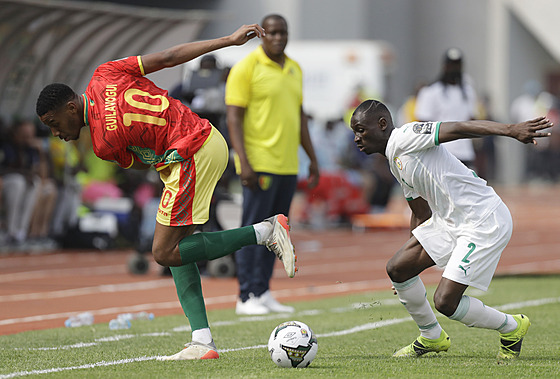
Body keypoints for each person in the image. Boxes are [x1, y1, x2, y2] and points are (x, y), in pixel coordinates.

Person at [35, 23, 297, 361]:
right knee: (176, 248)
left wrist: (161, 153)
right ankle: (202, 340)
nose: (57, 133)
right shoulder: (104, 73)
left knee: (162, 252)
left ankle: (264, 231)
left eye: (54, 124)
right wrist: (228, 41)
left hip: (191, 153)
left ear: (71, 107)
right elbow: (170, 57)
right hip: (202, 138)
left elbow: (142, 164)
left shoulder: (101, 143)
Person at [349, 99, 551, 360]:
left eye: (361, 130)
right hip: (449, 222)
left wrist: (510, 129)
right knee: (398, 269)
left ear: (382, 124)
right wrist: (411, 262)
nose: (356, 138)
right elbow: (420, 213)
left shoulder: (406, 136)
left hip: (483, 220)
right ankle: (432, 337)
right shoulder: (395, 159)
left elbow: (458, 128)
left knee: (445, 301)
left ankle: (512, 327)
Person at [225, 14, 319, 315]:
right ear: (262, 35)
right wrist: (244, 161)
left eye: (283, 33)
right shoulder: (246, 68)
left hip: (288, 164)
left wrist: (313, 159)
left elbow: (300, 117)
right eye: (273, 32)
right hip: (259, 163)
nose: (278, 38)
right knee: (253, 229)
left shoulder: (295, 69)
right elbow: (233, 118)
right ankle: (245, 295)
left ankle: (262, 290)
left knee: (277, 233)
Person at [414, 48, 478, 168]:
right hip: (442, 153)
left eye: (457, 65)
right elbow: (423, 125)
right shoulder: (431, 92)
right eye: (451, 65)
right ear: (444, 66)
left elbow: (472, 119)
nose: (454, 69)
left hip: (465, 153)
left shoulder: (468, 92)